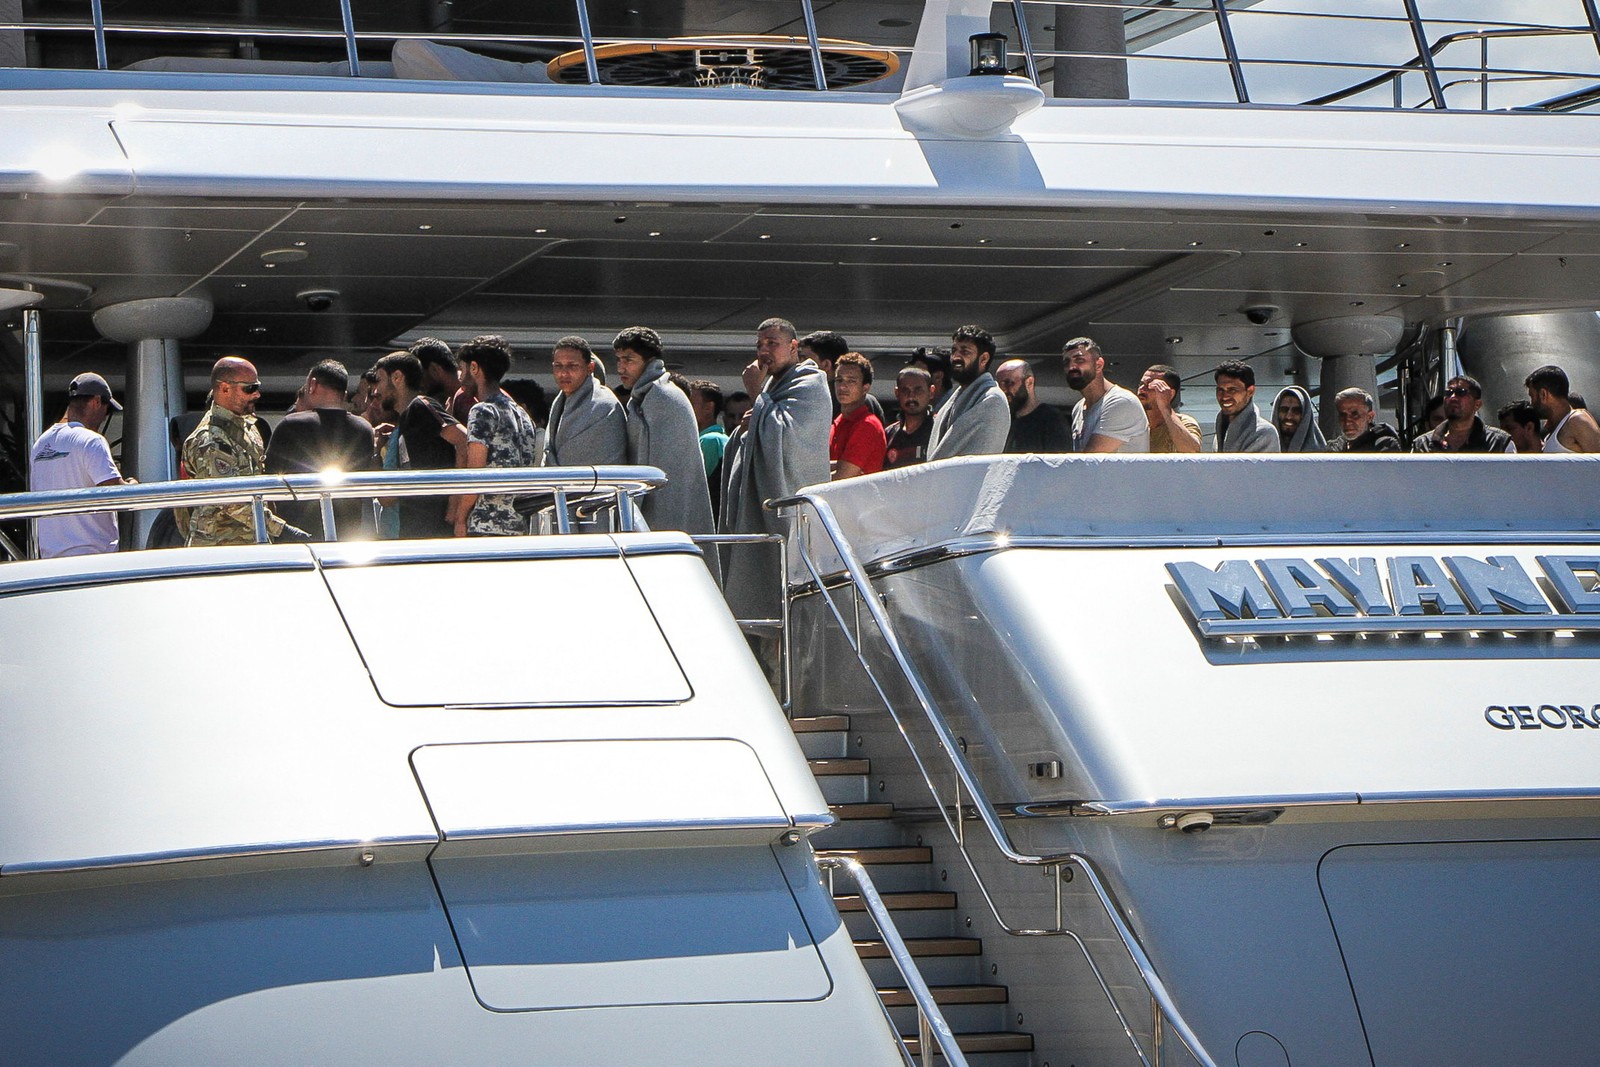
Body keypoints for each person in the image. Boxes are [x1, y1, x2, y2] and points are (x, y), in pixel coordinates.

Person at [720, 317, 831, 621]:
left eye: (772, 343)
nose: (764, 351)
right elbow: (761, 426)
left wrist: (757, 396)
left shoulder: (811, 383)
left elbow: (789, 439)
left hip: (789, 515)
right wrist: (749, 426)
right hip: (756, 510)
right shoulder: (771, 388)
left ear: (794, 347)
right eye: (759, 345)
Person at [614, 326, 717, 558]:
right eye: (618, 359)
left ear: (649, 360)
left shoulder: (663, 397)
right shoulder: (647, 396)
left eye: (629, 359)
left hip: (668, 519)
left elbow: (668, 480)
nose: (621, 367)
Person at [181, 357, 303, 546]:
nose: (257, 395)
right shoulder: (211, 440)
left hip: (250, 542)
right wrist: (281, 529)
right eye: (249, 388)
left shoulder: (247, 428)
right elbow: (230, 499)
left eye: (257, 387)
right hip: (219, 550)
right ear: (224, 388)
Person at [264, 359, 379, 538]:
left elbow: (268, 480)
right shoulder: (365, 429)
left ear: (312, 385)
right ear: (344, 393)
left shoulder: (291, 425)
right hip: (348, 534)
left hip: (297, 535)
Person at [28, 372, 133, 558]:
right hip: (92, 559)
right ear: (96, 402)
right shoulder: (91, 441)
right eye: (106, 409)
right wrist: (133, 487)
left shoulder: (40, 445)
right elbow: (116, 495)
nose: (104, 416)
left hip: (50, 561)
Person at [371, 350, 468, 539]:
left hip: (437, 527)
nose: (376, 391)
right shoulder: (405, 423)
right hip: (414, 529)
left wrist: (455, 508)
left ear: (397, 377)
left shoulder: (420, 405)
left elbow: (464, 440)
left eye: (380, 380)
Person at [453, 335, 540, 537]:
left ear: (474, 368)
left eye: (462, 368)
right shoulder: (522, 414)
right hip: (519, 526)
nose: (460, 376)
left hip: (486, 525)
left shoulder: (482, 411)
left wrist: (460, 518)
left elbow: (475, 472)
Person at [545, 335, 628, 467]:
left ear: (590, 368)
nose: (563, 373)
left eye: (572, 366)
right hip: (558, 484)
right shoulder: (558, 403)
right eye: (558, 366)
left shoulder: (604, 405)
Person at [928, 325, 1009, 460]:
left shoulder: (992, 399)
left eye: (965, 352)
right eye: (954, 351)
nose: (956, 357)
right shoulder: (952, 401)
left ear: (983, 359)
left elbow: (975, 460)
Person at [1062, 337, 1148, 453]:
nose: (1071, 367)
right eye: (1066, 362)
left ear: (1099, 365)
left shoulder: (1122, 402)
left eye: (1079, 360)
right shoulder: (1079, 407)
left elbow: (1090, 462)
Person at [1411, 375, 1514, 454]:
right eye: (1448, 393)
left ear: (1477, 404)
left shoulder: (1499, 443)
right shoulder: (1422, 445)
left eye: (1461, 392)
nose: (1453, 397)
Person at [802, 330, 886, 422]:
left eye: (805, 359)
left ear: (826, 365)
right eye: (839, 380)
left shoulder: (812, 400)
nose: (799, 364)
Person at [830, 352, 887, 479]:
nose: (843, 386)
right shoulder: (836, 423)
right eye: (839, 380)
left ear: (865, 388)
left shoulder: (868, 425)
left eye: (851, 381)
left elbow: (843, 477)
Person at [995, 358, 1070, 453]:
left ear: (1029, 382)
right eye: (999, 385)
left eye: (1008, 383)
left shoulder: (1051, 420)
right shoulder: (1003, 422)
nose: (1003, 390)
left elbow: (1059, 463)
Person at [1525, 364, 1600, 453]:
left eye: (1532, 396)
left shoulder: (1577, 420)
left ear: (1543, 394)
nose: (1531, 403)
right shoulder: (1554, 430)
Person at [1212, 360, 1280, 453]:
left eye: (1232, 389)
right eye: (1220, 390)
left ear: (1250, 391)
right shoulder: (1221, 432)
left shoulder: (1264, 433)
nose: (1225, 396)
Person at [1137, 364, 1202, 453]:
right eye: (1141, 384)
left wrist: (1165, 408)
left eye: (1151, 385)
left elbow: (1192, 452)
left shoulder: (1185, 422)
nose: (1142, 389)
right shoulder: (1132, 423)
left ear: (1170, 394)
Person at [410, 337, 474, 424]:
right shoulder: (451, 399)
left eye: (419, 374)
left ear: (434, 369)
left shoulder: (467, 395)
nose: (417, 382)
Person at [689, 379, 729, 515]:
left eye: (691, 403)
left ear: (708, 408)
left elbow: (694, 488)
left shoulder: (710, 440)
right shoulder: (721, 438)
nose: (685, 407)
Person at [883, 365, 935, 470]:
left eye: (918, 390)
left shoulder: (939, 429)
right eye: (905, 390)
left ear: (931, 392)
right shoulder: (888, 434)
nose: (911, 396)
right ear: (897, 393)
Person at [1330, 387, 1401, 452]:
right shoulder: (1335, 447)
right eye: (1343, 415)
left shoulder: (1384, 446)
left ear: (1369, 417)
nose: (1347, 422)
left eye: (1355, 415)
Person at [1271, 385, 1327, 452]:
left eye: (1296, 411)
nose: (1289, 416)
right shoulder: (1264, 449)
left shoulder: (1320, 456)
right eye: (1284, 410)